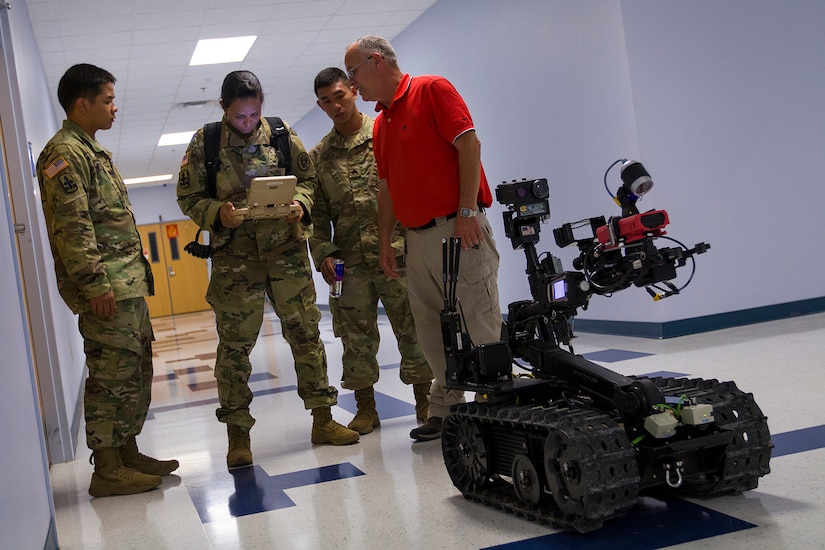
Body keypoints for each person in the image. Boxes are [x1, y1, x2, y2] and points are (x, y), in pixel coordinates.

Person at [176, 70, 359, 469]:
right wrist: (217, 213)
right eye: (241, 116)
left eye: (254, 114)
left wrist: (302, 204)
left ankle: (323, 419)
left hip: (286, 254)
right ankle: (238, 435)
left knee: (307, 336)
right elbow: (188, 196)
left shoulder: (280, 134)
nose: (248, 122)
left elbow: (308, 180)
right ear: (224, 108)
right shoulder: (204, 142)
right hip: (235, 261)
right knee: (235, 349)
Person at [344, 36, 502, 441]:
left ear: (375, 61)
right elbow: (386, 186)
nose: (352, 83)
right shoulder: (381, 122)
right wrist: (386, 241)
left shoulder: (431, 89)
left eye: (353, 72)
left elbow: (469, 144)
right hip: (417, 239)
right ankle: (447, 409)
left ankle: (500, 409)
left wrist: (467, 211)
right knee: (432, 330)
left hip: (458, 228)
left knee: (479, 321)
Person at [36, 63, 179, 497]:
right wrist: (95, 283)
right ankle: (107, 468)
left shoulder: (93, 151)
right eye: (108, 100)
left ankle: (128, 450)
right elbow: (72, 225)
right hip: (107, 288)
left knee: (135, 371)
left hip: (128, 284)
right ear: (83, 104)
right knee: (109, 374)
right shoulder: (63, 154)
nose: (115, 108)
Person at [308, 67, 433, 435]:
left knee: (413, 327)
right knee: (354, 337)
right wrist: (325, 253)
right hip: (350, 263)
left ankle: (426, 399)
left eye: (340, 95)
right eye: (327, 101)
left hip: (397, 252)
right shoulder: (320, 157)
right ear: (320, 105)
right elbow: (315, 216)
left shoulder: (384, 134)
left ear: (353, 90)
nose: (335, 105)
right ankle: (365, 408)